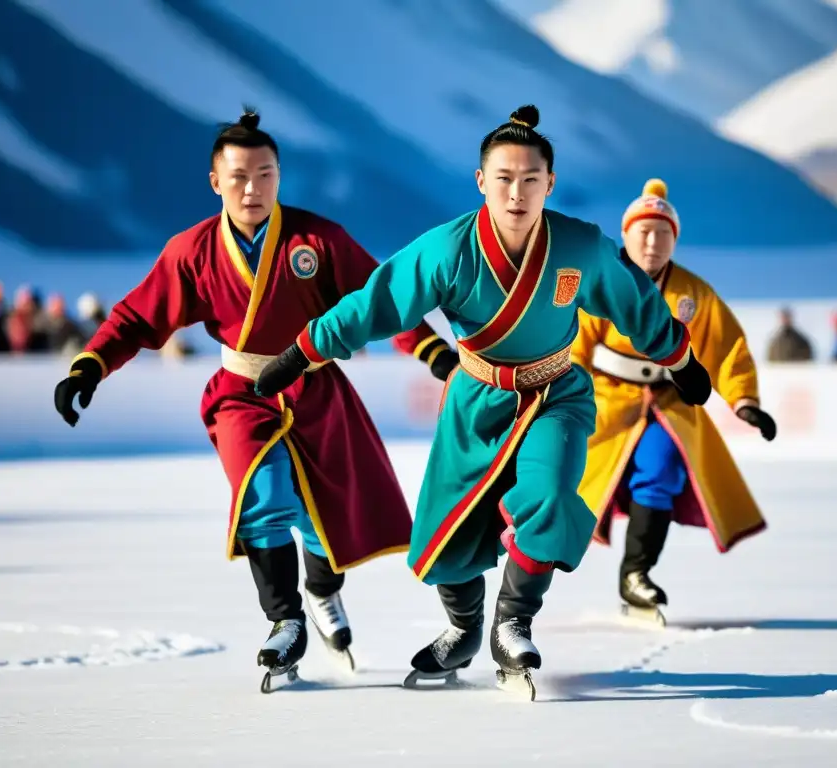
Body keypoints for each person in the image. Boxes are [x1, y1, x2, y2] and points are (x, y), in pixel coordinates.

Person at [253, 105, 713, 699]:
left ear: (549, 183)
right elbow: (376, 303)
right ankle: (464, 629)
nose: (516, 193)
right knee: (448, 533)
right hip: (474, 401)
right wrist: (301, 351)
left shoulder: (580, 247)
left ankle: (513, 622)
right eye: (504, 178)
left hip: (556, 395)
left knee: (546, 496)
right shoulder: (447, 250)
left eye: (530, 180)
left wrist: (682, 361)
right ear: (481, 181)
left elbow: (636, 306)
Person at [52, 109, 453, 693]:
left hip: (316, 387)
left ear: (279, 178)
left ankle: (321, 589)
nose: (252, 188)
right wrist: (90, 364)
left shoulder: (318, 240)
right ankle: (285, 620)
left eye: (265, 174)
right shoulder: (191, 251)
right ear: (216, 181)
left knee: (322, 513)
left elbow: (380, 301)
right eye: (239, 176)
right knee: (265, 497)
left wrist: (434, 354)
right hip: (243, 393)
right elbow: (139, 316)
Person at [572, 179, 774, 625]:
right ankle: (528, 568)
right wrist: (567, 399)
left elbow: (725, 349)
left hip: (669, 402)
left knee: (660, 469)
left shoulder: (693, 293)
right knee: (562, 478)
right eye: (643, 231)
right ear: (624, 236)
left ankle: (636, 575)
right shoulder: (602, 284)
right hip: (603, 401)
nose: (652, 241)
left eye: (663, 233)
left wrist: (744, 400)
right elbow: (573, 348)